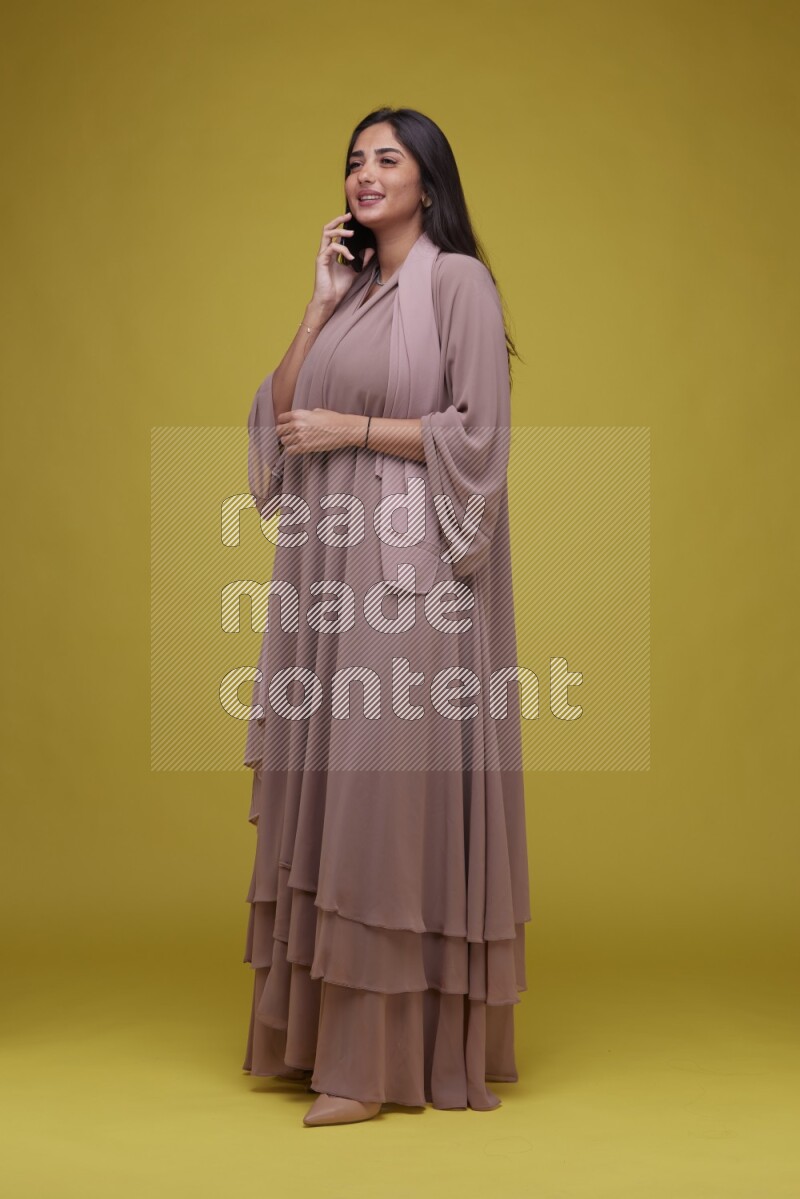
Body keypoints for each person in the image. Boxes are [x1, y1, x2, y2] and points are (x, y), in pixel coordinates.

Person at [241, 106, 531, 1127]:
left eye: (386, 158)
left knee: (379, 798)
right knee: (329, 781)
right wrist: (317, 307)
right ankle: (320, 1038)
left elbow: (478, 437)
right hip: (326, 568)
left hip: (409, 574)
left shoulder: (454, 281)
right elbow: (277, 422)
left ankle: (374, 1060)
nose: (364, 174)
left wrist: (349, 426)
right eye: (353, 160)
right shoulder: (355, 288)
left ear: (427, 176)